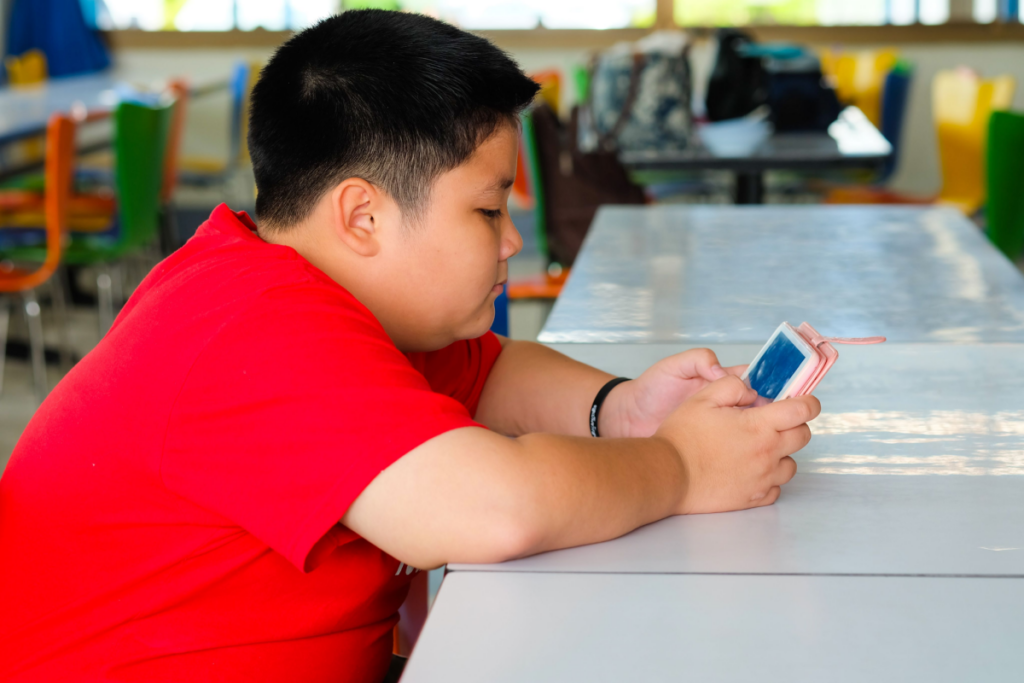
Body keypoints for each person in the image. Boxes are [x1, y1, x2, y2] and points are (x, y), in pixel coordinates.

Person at [0, 10, 819, 683]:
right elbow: (494, 507)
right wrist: (680, 466)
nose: (510, 242)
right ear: (363, 217)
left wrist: (621, 407)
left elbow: (492, 372)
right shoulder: (250, 324)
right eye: (488, 211)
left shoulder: (332, 294)